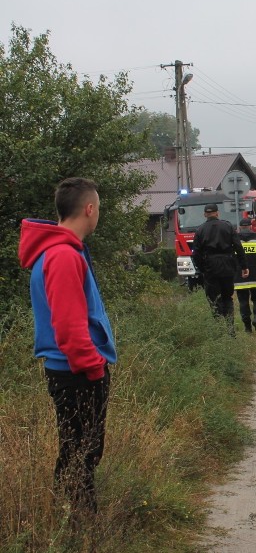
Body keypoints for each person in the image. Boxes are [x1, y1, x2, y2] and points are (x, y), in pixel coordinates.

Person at [18, 177, 117, 521]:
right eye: (98, 208)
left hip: (74, 371)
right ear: (89, 209)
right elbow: (69, 328)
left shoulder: (63, 251)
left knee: (80, 450)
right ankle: (78, 524)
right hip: (76, 373)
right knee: (80, 453)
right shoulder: (61, 255)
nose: (98, 214)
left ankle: (70, 518)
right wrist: (94, 368)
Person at [192, 203, 249, 336]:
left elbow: (196, 253)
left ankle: (219, 331)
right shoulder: (228, 226)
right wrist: (244, 266)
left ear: (205, 214)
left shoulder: (200, 230)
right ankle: (231, 330)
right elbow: (238, 247)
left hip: (210, 267)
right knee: (227, 297)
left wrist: (202, 269)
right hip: (227, 266)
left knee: (214, 299)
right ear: (217, 213)